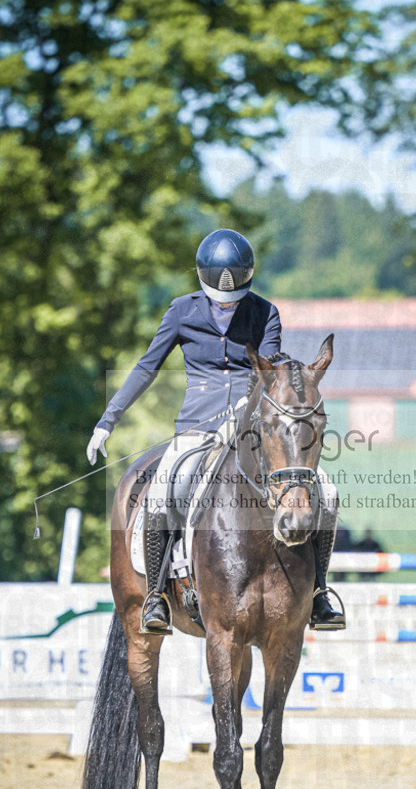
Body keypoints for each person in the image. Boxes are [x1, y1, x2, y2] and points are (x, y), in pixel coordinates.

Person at [86, 228, 344, 633]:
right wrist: (108, 419)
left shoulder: (264, 312)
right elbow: (146, 367)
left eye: (234, 297)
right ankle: (155, 595)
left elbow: (272, 362)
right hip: (197, 424)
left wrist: (271, 387)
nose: (227, 306)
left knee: (324, 489)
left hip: (249, 426)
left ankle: (319, 593)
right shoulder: (181, 311)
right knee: (164, 486)